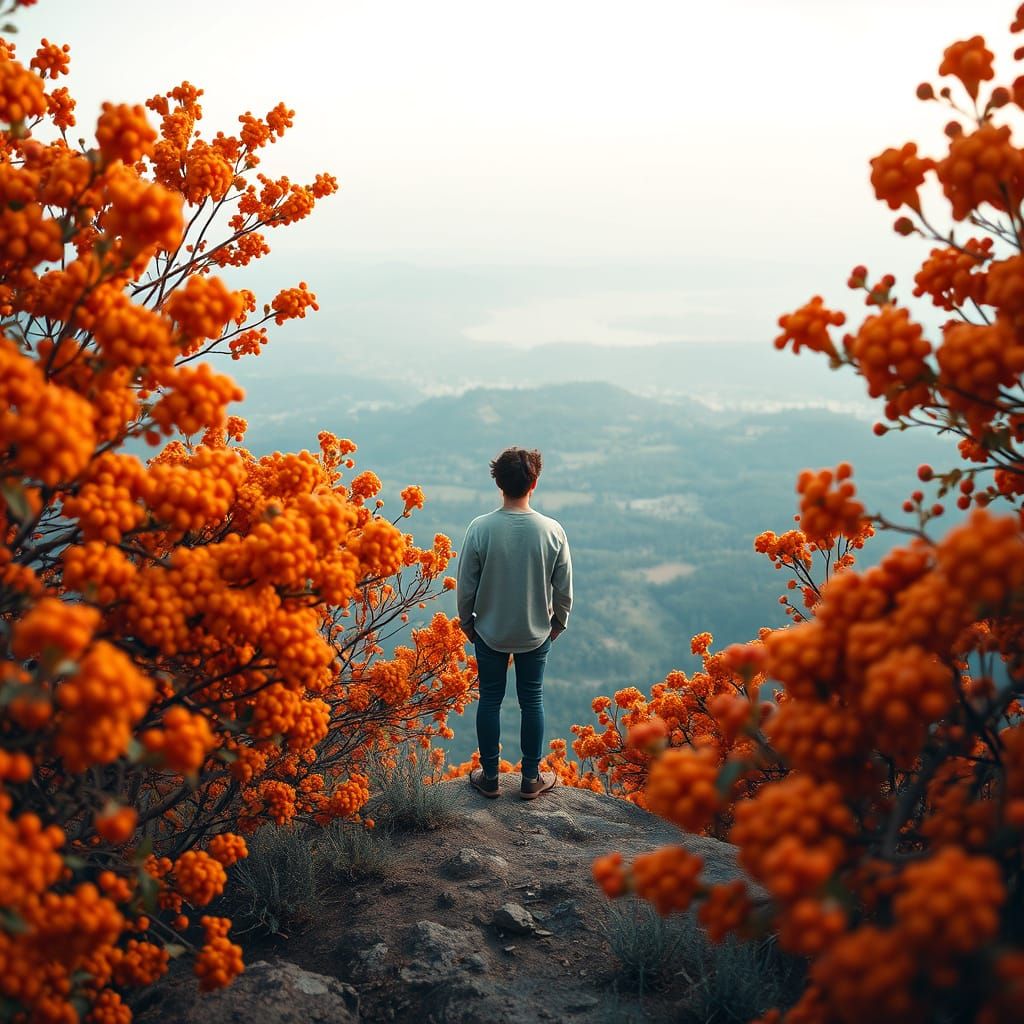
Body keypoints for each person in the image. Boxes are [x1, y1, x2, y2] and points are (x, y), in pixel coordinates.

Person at [456, 446, 573, 800]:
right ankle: (530, 779)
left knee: (489, 700)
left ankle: (490, 778)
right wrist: (558, 623)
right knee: (531, 700)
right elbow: (563, 588)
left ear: (498, 482)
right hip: (535, 633)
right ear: (534, 482)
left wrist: (467, 622)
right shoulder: (552, 530)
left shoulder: (480, 528)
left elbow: (466, 584)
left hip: (489, 632)